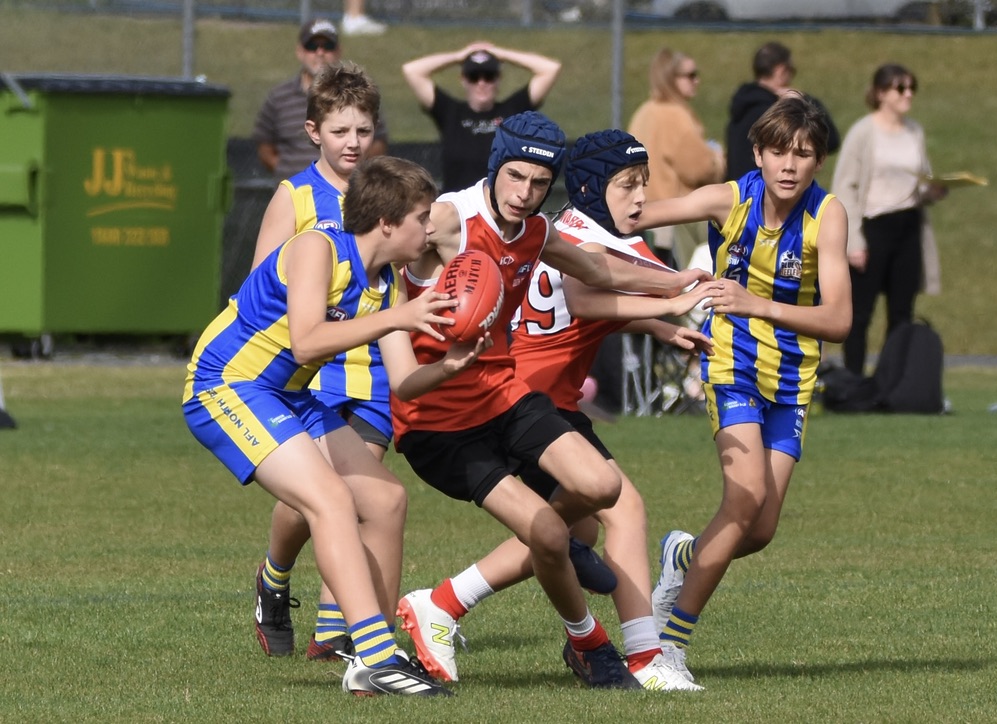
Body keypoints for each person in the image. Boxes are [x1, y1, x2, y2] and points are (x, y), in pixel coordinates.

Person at [390, 111, 711, 689]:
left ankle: (457, 597)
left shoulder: (537, 231)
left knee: (602, 490)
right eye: (515, 177)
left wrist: (671, 286)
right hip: (441, 419)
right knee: (561, 532)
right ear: (495, 168)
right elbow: (378, 245)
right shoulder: (449, 218)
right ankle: (606, 648)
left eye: (539, 183)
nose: (524, 193)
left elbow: (594, 269)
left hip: (505, 394)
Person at [183, 156, 490, 697]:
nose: (430, 229)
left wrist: (449, 366)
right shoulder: (316, 248)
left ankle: (378, 657)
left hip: (287, 394)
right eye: (422, 217)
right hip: (226, 384)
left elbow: (404, 381)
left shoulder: (386, 283)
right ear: (387, 223)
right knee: (330, 500)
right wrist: (399, 318)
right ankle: (375, 659)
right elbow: (306, 341)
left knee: (387, 501)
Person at [632, 93, 852, 683]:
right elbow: (638, 215)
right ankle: (667, 647)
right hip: (731, 362)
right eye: (778, 151)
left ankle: (683, 554)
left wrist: (757, 303)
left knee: (759, 530)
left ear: (818, 161)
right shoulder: (730, 200)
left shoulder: (827, 215)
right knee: (744, 496)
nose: (789, 164)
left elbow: (839, 320)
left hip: (793, 377)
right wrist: (598, 198)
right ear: (758, 153)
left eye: (803, 153)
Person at [246, 62, 396, 661]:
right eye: (340, 131)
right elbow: (261, 286)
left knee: (363, 498)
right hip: (314, 370)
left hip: (376, 371)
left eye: (363, 130)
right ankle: (274, 575)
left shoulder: (387, 195)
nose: (353, 143)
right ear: (313, 132)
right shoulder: (297, 196)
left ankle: (334, 631)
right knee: (310, 500)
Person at [831, 63, 947, 375]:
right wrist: (853, 241)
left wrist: (932, 191)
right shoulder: (864, 132)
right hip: (874, 226)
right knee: (861, 312)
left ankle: (892, 382)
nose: (908, 94)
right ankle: (854, 380)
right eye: (900, 88)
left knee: (901, 312)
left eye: (912, 88)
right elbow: (844, 186)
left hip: (908, 225)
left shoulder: (914, 131)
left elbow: (919, 179)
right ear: (881, 93)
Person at [401, 42, 562, 193]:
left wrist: (501, 54)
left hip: (498, 206)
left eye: (489, 76)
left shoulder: (513, 111)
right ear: (463, 80)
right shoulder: (450, 112)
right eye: (474, 77)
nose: (481, 83)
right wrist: (458, 57)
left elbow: (550, 69)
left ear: (498, 79)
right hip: (456, 206)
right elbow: (412, 71)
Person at [253, 18, 389, 180]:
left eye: (328, 46)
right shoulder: (278, 97)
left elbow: (379, 142)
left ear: (338, 51)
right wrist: (291, 176)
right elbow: (264, 144)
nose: (320, 52)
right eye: (312, 46)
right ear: (300, 51)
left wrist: (353, 173)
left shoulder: (358, 95)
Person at [628, 47, 724, 271]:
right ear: (670, 78)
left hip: (644, 213)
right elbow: (699, 170)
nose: (697, 81)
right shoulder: (675, 115)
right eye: (690, 75)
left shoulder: (644, 111)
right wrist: (718, 159)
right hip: (675, 219)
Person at [725, 41, 840, 183]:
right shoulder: (778, 114)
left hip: (739, 190)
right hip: (767, 191)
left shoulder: (741, 107)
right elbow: (829, 139)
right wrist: (803, 101)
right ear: (781, 71)